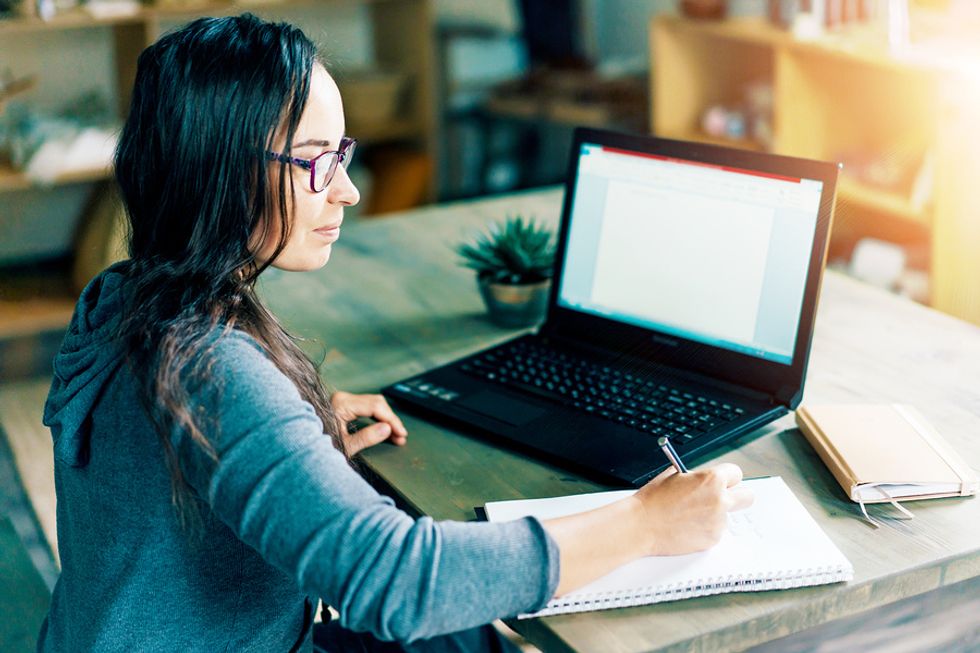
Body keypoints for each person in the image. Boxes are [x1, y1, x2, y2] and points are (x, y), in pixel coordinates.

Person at [38, 13, 753, 653]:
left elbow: (171, 469)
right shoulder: (212, 366)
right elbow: (396, 581)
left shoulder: (123, 296)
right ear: (223, 169)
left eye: (341, 153)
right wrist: (643, 523)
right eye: (316, 160)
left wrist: (290, 438)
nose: (345, 188)